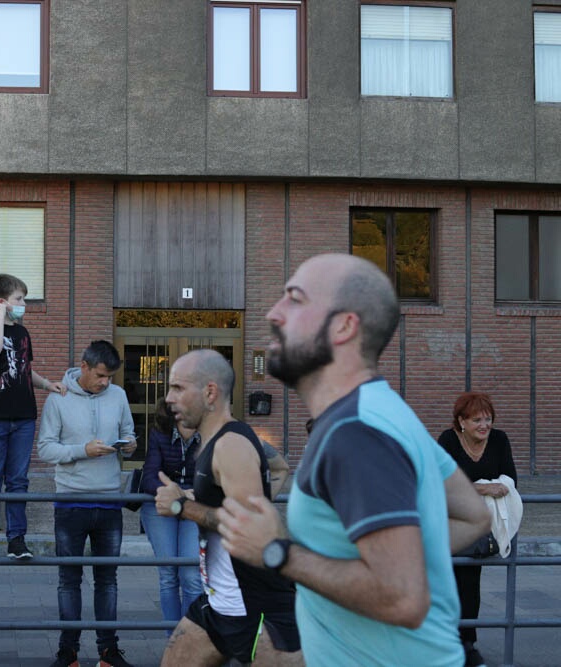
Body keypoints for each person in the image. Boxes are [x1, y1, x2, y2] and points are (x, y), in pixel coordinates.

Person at [216, 253, 491, 667]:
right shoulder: (385, 411)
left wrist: (278, 551)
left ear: (344, 326)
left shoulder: (356, 433)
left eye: (294, 298)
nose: (274, 313)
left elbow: (402, 598)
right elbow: (474, 516)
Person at [154, 350, 301, 667]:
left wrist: (182, 506)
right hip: (218, 606)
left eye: (178, 388)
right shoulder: (220, 440)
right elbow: (278, 468)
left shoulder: (230, 445)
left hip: (260, 610)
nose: (169, 398)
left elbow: (248, 525)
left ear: (210, 392)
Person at [37, 340, 137, 667]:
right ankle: (69, 652)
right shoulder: (58, 397)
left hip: (109, 499)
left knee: (108, 579)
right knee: (69, 579)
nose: (105, 382)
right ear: (83, 367)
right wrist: (83, 450)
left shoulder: (119, 396)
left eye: (109, 377)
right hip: (71, 500)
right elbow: (46, 449)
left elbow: (128, 434)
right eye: (100, 375)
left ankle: (108, 651)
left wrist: (129, 445)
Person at [0, 273, 65, 560]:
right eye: (19, 299)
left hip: (23, 417)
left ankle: (17, 539)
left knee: (18, 480)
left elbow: (24, 369)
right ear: (2, 302)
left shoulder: (23, 334)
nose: (24, 304)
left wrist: (48, 384)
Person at [437, 392, 518, 667]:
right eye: (477, 420)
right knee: (444, 583)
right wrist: (483, 487)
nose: (484, 425)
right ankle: (443, 641)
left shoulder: (499, 439)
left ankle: (466, 645)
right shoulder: (448, 441)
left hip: (477, 526)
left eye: (488, 419)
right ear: (461, 421)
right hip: (446, 522)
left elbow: (510, 478)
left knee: (470, 583)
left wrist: (487, 487)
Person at [138, 398, 203, 637]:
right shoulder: (160, 434)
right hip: (162, 501)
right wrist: (176, 492)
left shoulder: (210, 435)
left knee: (191, 575)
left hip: (196, 502)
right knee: (168, 574)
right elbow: (149, 477)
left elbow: (215, 475)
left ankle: (193, 640)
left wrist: (191, 494)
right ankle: (173, 642)